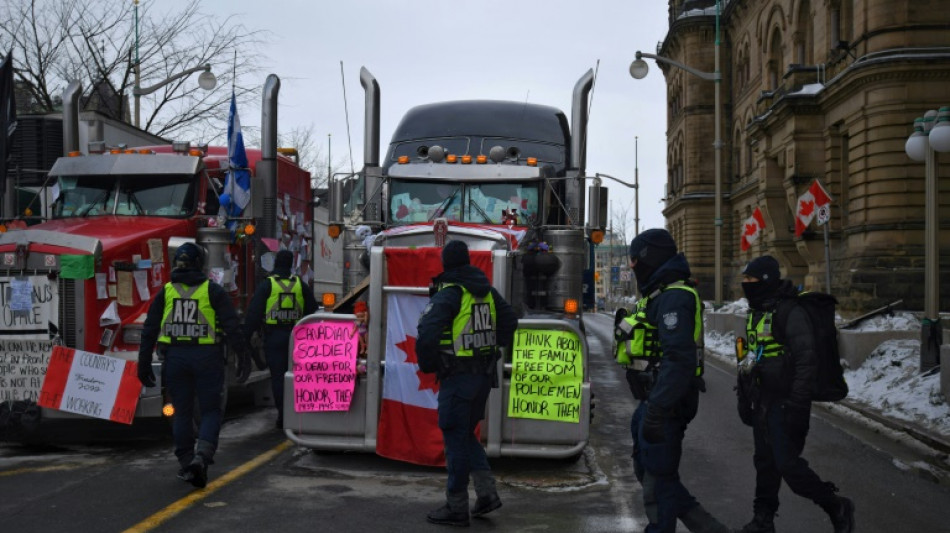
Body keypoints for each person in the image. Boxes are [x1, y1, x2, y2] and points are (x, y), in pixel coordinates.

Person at [614, 228, 729, 533]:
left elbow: (679, 359)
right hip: (655, 398)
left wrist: (658, 407)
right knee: (646, 467)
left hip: (666, 401)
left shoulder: (675, 297)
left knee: (659, 478)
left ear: (650, 257)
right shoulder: (660, 293)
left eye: (635, 259)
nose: (632, 266)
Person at [736, 256, 855, 533]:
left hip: (786, 402)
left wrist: (798, 404)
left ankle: (835, 504)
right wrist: (744, 397)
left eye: (751, 280)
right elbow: (748, 359)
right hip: (762, 400)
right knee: (765, 463)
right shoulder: (756, 312)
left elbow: (807, 360)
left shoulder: (791, 311)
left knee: (788, 465)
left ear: (765, 280)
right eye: (745, 280)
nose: (746, 285)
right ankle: (763, 520)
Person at [416, 240, 518, 527]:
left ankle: (456, 506)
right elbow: (510, 321)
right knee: (463, 433)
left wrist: (430, 364)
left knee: (454, 437)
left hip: (458, 377)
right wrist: (490, 346)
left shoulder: (449, 294)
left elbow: (426, 333)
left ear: (445, 264)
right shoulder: (486, 291)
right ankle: (486, 494)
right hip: (483, 376)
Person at [137, 242, 251, 489]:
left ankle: (187, 461)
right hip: (207, 358)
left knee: (181, 412)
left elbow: (149, 330)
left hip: (175, 359)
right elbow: (232, 326)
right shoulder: (213, 291)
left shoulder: (166, 292)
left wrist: (143, 362)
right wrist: (243, 357)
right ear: (201, 264)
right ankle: (201, 458)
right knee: (211, 411)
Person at [243, 249, 319, 428]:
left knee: (278, 377)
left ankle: (283, 416)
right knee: (297, 376)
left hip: (274, 336)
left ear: (276, 263)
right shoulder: (300, 284)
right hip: (297, 338)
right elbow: (313, 310)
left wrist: (245, 336)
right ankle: (297, 412)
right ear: (291, 264)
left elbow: (254, 313)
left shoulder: (267, 285)